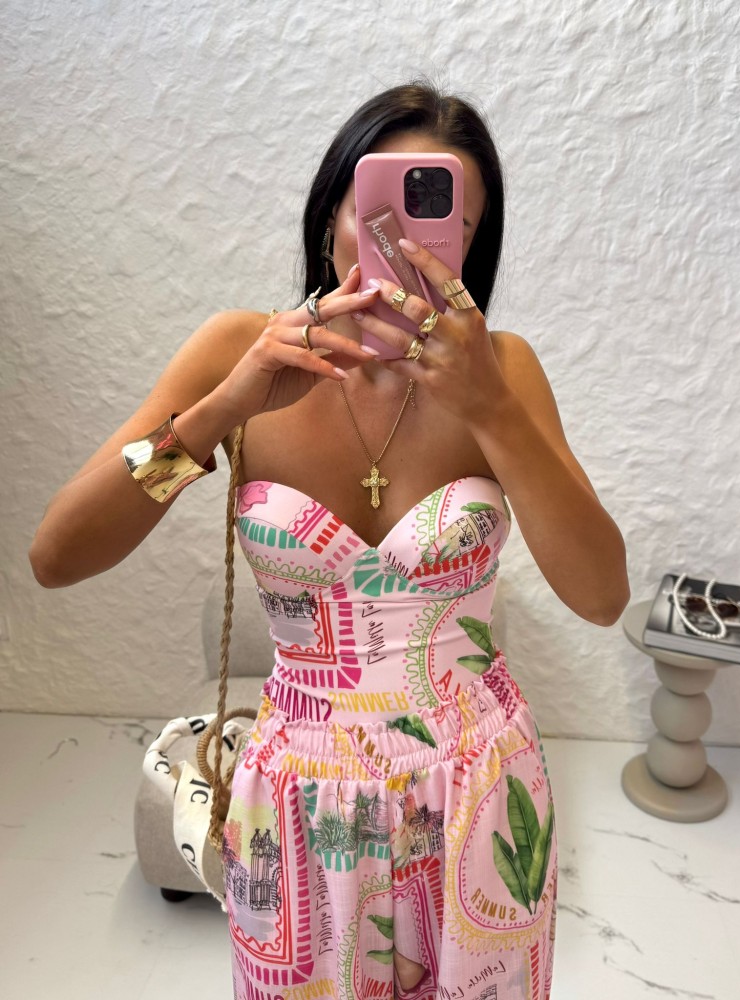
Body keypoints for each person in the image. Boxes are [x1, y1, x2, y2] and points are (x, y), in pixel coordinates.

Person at [30, 82, 629, 1000]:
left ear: (470, 246)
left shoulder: (505, 372)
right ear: (329, 219)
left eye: (445, 221)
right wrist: (223, 409)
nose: (403, 245)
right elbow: (59, 553)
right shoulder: (237, 349)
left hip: (476, 787)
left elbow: (602, 595)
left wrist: (492, 412)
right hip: (296, 802)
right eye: (376, 211)